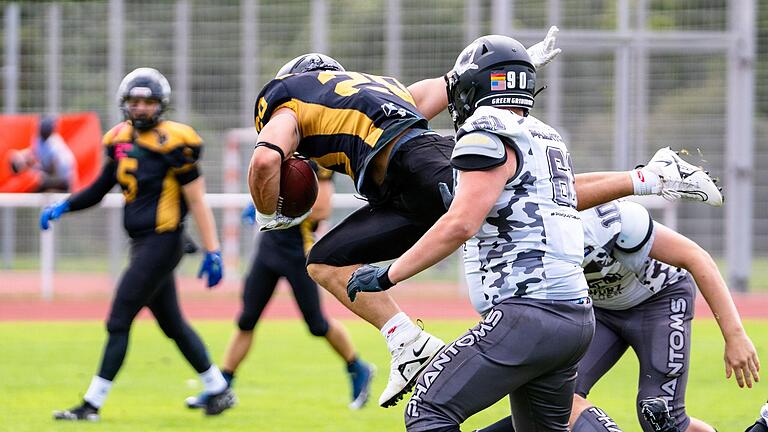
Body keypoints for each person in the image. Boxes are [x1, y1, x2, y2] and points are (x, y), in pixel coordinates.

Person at [248, 31, 723, 408]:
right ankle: (405, 342)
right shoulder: (380, 91)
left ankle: (652, 176)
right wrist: (517, 68)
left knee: (538, 193)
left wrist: (272, 214)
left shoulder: (289, 99)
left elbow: (267, 161)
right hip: (403, 184)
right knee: (325, 262)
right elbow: (454, 83)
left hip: (419, 168)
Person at [40, 67, 235, 420]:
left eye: (148, 101)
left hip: (164, 242)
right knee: (172, 324)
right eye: (135, 101)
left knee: (119, 318)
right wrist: (65, 205)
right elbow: (100, 188)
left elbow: (197, 201)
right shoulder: (118, 140)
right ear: (124, 104)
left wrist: (213, 249)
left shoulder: (175, 143)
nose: (141, 108)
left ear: (160, 105)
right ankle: (219, 389)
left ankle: (91, 405)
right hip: (142, 244)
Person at [475, 199, 761, 432]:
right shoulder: (530, 238)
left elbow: (698, 258)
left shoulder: (602, 220)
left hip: (659, 300)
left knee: (658, 414)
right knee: (556, 399)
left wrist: (735, 336)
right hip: (599, 311)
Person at [185, 161, 375, 411]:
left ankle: (357, 366)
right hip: (269, 247)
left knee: (317, 324)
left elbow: (321, 210)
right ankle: (222, 387)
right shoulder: (278, 146)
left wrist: (278, 206)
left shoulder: (317, 158)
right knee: (246, 319)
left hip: (299, 251)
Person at [10, 115, 78, 191]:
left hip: (63, 181)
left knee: (39, 186)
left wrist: (37, 169)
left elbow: (53, 172)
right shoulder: (38, 139)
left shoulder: (54, 145)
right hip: (54, 177)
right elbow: (32, 154)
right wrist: (21, 159)